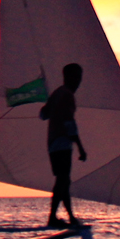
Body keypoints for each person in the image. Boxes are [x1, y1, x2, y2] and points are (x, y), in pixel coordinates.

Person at [41, 62, 89, 227]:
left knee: (64, 181)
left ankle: (70, 217)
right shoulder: (67, 94)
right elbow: (70, 124)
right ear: (68, 77)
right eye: (76, 77)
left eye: (79, 77)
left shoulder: (57, 93)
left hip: (53, 142)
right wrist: (81, 148)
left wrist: (52, 106)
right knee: (62, 180)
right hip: (62, 141)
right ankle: (52, 217)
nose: (78, 81)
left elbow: (43, 114)